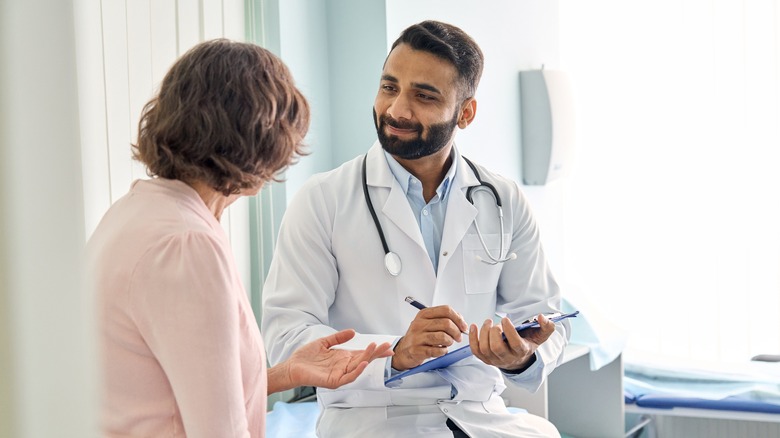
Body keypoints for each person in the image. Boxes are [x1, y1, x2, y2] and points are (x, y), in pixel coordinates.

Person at [261, 20, 570, 437]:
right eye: (389, 87)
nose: (397, 110)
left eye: (424, 96)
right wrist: (395, 352)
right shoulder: (323, 201)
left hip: (480, 416)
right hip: (371, 417)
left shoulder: (502, 200)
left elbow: (546, 317)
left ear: (466, 112)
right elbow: (286, 335)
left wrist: (520, 355)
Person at [85, 39, 392, 437]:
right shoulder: (186, 245)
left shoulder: (137, 211)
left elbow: (177, 391)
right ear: (260, 138)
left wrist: (287, 373)